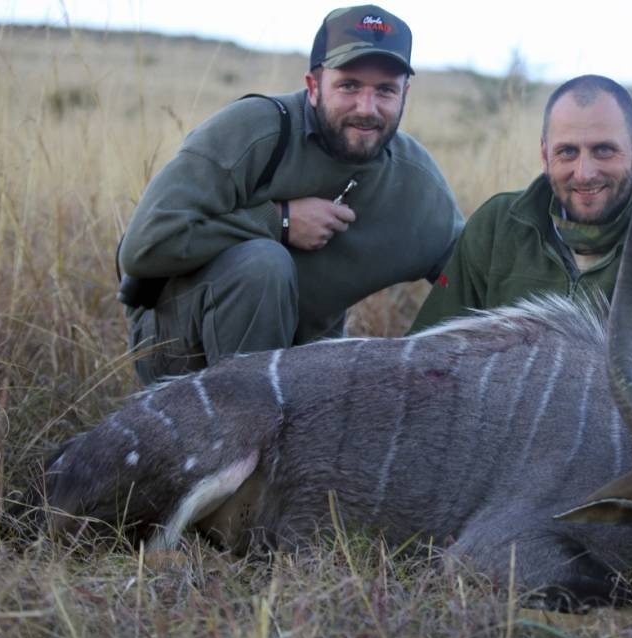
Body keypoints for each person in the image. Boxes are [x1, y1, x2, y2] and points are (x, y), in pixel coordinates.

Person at [118, 5, 463, 385]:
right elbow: (142, 248)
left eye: (385, 90)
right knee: (262, 265)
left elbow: (469, 272)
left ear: (405, 94)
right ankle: (246, 435)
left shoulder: (416, 182)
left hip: (303, 362)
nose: (367, 108)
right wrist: (277, 221)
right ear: (313, 87)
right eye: (348, 86)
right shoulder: (255, 130)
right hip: (176, 349)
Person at [410, 75, 632, 390]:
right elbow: (423, 356)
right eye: (567, 152)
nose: (585, 172)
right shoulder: (496, 227)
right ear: (545, 155)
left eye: (604, 150)